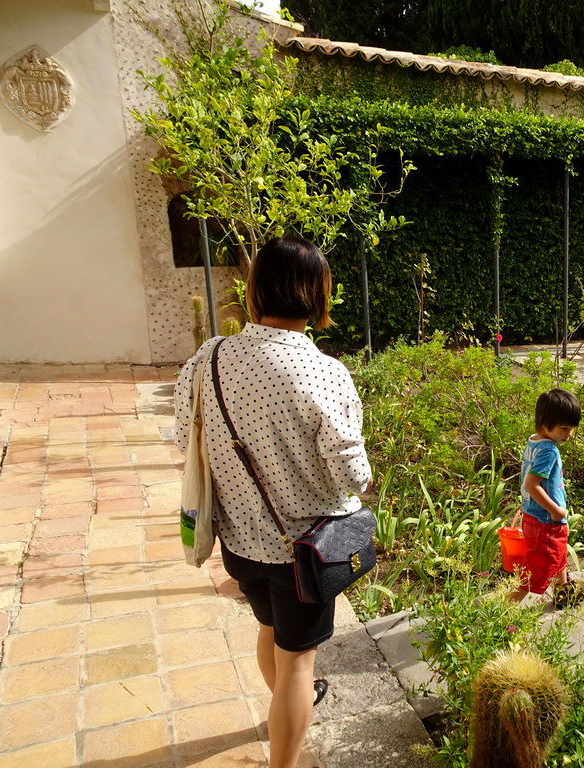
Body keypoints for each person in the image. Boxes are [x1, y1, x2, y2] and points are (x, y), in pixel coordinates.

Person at [174, 236, 371, 768]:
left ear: (256, 288)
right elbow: (353, 473)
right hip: (304, 553)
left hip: (238, 544)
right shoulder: (324, 372)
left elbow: (182, 435)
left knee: (271, 632)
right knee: (298, 659)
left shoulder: (208, 357)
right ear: (316, 294)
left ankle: (287, 709)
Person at [509, 388, 581, 604]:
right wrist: (556, 511)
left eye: (572, 428)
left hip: (532, 516)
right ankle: (504, 611)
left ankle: (564, 592)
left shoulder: (534, 441)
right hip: (547, 520)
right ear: (543, 424)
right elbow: (532, 484)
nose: (569, 434)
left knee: (556, 557)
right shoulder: (549, 450)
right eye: (564, 428)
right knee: (538, 571)